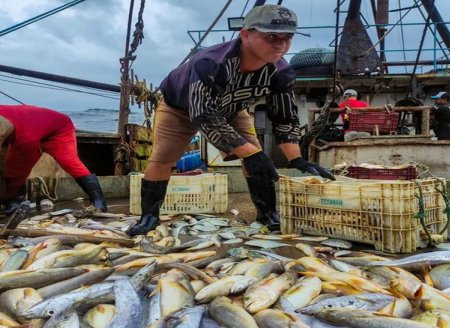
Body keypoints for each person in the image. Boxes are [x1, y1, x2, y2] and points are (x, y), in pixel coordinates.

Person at [128, 4, 335, 236]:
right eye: (271, 36)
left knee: (253, 157)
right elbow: (203, 114)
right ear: (245, 35)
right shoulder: (210, 63)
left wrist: (297, 159)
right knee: (163, 158)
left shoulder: (281, 72)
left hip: (232, 109)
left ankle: (267, 214)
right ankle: (149, 216)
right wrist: (250, 153)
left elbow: (284, 117)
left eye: (287, 37)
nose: (281, 44)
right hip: (180, 109)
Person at [0, 104, 107, 212]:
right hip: (30, 128)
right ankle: (12, 201)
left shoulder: (25, 138)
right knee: (10, 166)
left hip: (59, 128)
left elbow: (19, 167)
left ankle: (99, 202)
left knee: (70, 162)